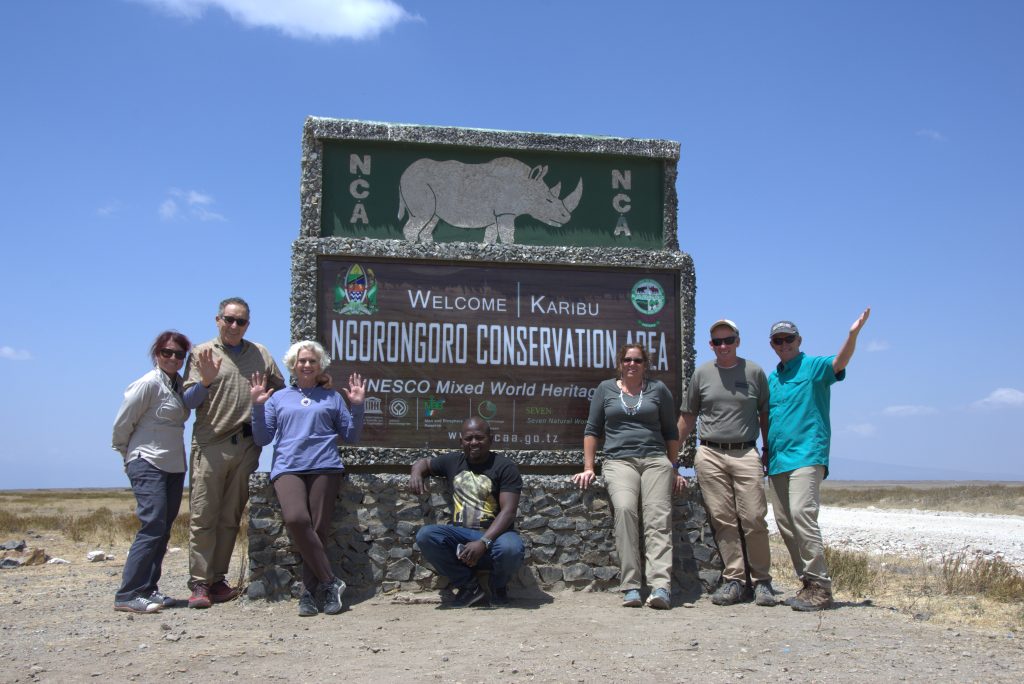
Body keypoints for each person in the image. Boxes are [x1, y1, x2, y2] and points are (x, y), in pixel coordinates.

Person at [181, 297, 285, 609]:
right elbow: (188, 400)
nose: (234, 326)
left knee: (230, 517)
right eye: (229, 319)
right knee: (203, 515)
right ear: (217, 320)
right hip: (211, 444)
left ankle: (217, 580)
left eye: (240, 321)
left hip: (248, 444)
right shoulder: (202, 353)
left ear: (248, 324)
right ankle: (199, 582)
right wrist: (206, 381)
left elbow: (279, 390)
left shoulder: (260, 354)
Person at [249, 340, 365, 616]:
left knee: (319, 530)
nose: (307, 365)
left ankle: (309, 595)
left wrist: (358, 406)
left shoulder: (333, 397)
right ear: (293, 364)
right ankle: (330, 581)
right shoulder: (278, 398)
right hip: (288, 467)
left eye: (312, 361)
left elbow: (351, 435)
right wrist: (256, 406)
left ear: (320, 365)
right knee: (297, 520)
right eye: (302, 361)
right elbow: (263, 437)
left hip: (325, 465)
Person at [766, 308, 871, 611]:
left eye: (789, 338)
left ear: (799, 340)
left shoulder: (813, 367)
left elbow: (840, 363)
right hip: (778, 460)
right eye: (778, 340)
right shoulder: (773, 379)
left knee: (802, 515)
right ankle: (807, 586)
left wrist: (852, 335)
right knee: (786, 523)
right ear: (772, 344)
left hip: (807, 456)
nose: (784, 343)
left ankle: (821, 586)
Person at [110, 331, 215, 613]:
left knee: (163, 529)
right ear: (156, 354)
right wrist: (129, 456)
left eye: (179, 354)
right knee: (152, 525)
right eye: (166, 352)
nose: (172, 358)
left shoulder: (178, 384)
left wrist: (205, 380)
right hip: (147, 461)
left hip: (172, 464)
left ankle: (148, 588)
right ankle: (128, 593)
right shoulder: (147, 384)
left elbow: (192, 401)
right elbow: (123, 424)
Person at [573, 343, 683, 609]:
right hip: (618, 461)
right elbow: (592, 429)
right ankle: (631, 586)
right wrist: (589, 467)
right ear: (619, 363)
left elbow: (671, 431)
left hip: (655, 460)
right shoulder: (605, 389)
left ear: (646, 364)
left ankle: (660, 587)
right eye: (627, 359)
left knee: (658, 515)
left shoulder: (658, 390)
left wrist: (674, 468)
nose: (632, 364)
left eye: (637, 360)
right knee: (624, 510)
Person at [677, 319, 775, 607]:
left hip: (745, 452)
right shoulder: (703, 373)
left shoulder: (755, 372)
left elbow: (765, 415)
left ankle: (762, 581)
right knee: (723, 519)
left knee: (755, 517)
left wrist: (768, 449)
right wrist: (671, 456)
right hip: (710, 453)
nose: (723, 346)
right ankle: (735, 579)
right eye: (717, 342)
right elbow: (688, 415)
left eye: (728, 340)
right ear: (711, 345)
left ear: (738, 341)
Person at [410, 417, 525, 608]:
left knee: (511, 548)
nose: (473, 443)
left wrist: (483, 542)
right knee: (426, 535)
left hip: (496, 536)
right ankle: (469, 588)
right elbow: (424, 463)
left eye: (479, 438)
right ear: (461, 441)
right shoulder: (452, 461)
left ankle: (498, 587)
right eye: (468, 438)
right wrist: (416, 474)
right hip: (461, 536)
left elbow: (509, 512)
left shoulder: (505, 466)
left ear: (490, 439)